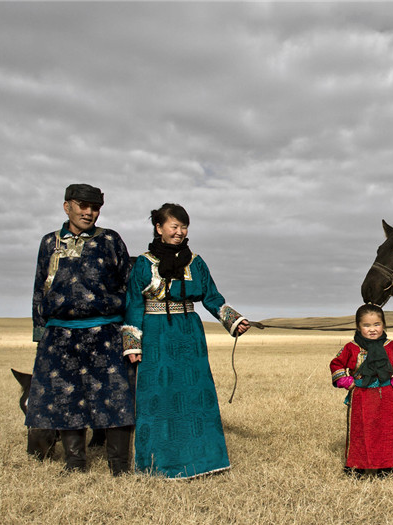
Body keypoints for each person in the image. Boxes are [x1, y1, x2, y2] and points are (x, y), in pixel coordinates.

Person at [122, 203, 250, 479]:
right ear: (159, 228)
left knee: (195, 393)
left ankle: (204, 461)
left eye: (184, 227)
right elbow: (133, 303)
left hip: (189, 333)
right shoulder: (144, 263)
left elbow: (212, 297)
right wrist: (132, 343)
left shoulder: (196, 262)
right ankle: (157, 464)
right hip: (155, 332)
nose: (180, 232)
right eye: (174, 226)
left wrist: (234, 320)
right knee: (158, 396)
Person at [27, 183, 135, 475]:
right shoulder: (49, 242)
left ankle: (120, 467)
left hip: (105, 331)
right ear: (67, 207)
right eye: (82, 206)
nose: (89, 213)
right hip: (59, 333)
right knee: (65, 398)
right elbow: (40, 288)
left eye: (95, 208)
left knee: (115, 399)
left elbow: (129, 287)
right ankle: (75, 464)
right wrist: (40, 332)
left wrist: (130, 335)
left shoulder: (110, 240)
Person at [329, 304, 393, 477]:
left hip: (386, 395)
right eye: (366, 325)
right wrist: (346, 380)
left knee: (387, 430)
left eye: (376, 324)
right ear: (358, 326)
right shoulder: (351, 347)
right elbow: (336, 364)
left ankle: (386, 467)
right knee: (360, 431)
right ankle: (357, 467)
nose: (372, 329)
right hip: (361, 395)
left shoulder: (391, 346)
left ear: (384, 325)